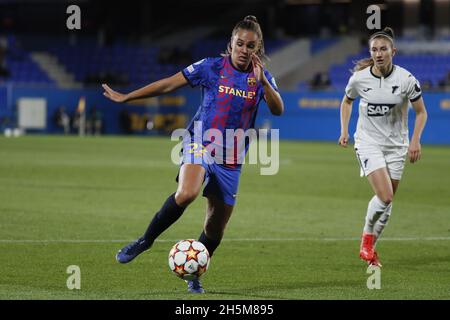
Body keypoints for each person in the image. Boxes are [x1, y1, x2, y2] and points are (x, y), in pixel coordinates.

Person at [102, 15, 284, 293]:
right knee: (186, 193)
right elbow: (167, 84)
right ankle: (145, 240)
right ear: (231, 43)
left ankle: (194, 273)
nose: (244, 50)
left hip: (231, 159)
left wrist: (265, 84)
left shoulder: (261, 78)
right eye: (239, 44)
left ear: (257, 49)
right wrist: (128, 97)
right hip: (200, 143)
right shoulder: (210, 67)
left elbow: (278, 109)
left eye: (250, 46)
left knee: (214, 229)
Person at [338, 27, 427, 268]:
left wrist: (415, 140)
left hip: (397, 146)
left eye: (383, 49)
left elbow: (421, 113)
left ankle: (370, 251)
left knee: (387, 202)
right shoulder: (360, 79)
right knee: (385, 195)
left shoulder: (407, 80)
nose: (378, 53)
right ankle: (366, 240)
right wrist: (345, 130)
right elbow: (347, 102)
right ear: (371, 52)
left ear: (393, 51)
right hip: (368, 143)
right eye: (374, 49)